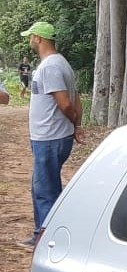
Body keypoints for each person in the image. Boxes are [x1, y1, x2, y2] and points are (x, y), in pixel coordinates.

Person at [20, 22, 81, 249]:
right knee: (41, 187)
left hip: (50, 137)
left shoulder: (51, 67)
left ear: (38, 38)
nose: (29, 40)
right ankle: (40, 233)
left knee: (46, 191)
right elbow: (77, 100)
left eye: (31, 36)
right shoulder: (58, 64)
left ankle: (48, 241)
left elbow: (66, 103)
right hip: (48, 136)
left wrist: (74, 122)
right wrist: (78, 125)